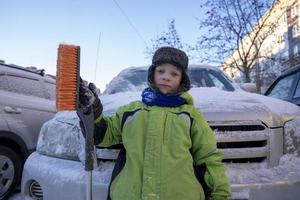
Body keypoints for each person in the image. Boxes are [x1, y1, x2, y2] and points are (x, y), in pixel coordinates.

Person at [79, 47, 231, 200]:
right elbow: (103, 136)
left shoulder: (191, 117)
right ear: (152, 74)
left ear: (182, 80)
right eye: (161, 71)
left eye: (174, 73)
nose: (166, 77)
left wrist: (219, 193)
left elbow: (208, 158)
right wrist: (94, 113)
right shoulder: (131, 112)